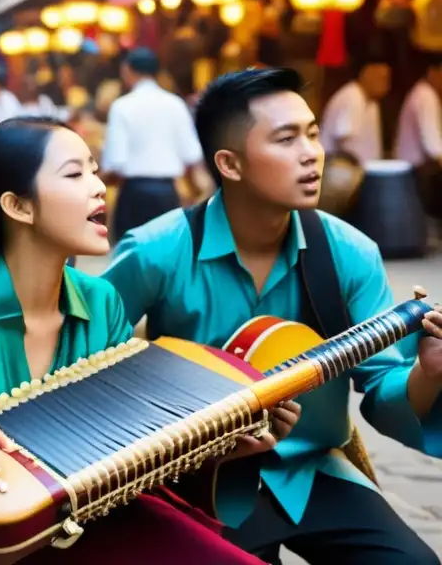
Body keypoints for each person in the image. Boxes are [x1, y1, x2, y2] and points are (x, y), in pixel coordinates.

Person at [0, 116, 300, 565]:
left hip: (78, 529)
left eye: (94, 169)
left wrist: (222, 447)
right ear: (17, 205)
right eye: (74, 174)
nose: (98, 187)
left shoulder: (102, 302)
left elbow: (124, 454)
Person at [103, 67, 442, 565]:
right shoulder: (157, 250)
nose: (311, 154)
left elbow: (383, 389)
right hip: (199, 483)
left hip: (313, 470)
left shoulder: (347, 251)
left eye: (311, 134)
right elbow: (86, 363)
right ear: (230, 163)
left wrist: (427, 374)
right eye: (286, 139)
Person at [101, 47, 208, 242]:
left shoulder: (122, 106)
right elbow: (191, 154)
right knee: (168, 257)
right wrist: (193, 189)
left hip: (133, 194)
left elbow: (116, 162)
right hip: (167, 194)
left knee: (131, 260)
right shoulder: (175, 104)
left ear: (128, 71)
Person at [395, 57, 442, 222]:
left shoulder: (424, 93)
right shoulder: (426, 96)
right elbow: (433, 146)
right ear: (433, 72)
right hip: (418, 172)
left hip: (417, 171)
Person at [320, 58, 391, 165]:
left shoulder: (372, 102)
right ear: (366, 75)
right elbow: (345, 140)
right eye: (381, 78)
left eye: (388, 80)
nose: (385, 85)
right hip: (340, 172)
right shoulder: (352, 97)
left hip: (363, 172)